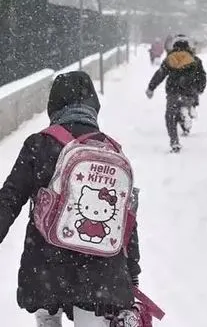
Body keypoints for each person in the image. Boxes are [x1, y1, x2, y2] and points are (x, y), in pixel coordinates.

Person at [0, 71, 141, 326]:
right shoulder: (110, 150)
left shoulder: (39, 144)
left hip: (46, 265)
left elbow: (9, 198)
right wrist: (133, 273)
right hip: (99, 272)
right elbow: (126, 219)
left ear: (54, 105)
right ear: (93, 106)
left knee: (47, 316)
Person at [146, 35, 207, 153]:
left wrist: (151, 88)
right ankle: (189, 112)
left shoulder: (170, 59)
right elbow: (202, 77)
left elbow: (160, 74)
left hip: (173, 92)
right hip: (189, 92)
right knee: (186, 105)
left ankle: (174, 142)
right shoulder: (195, 60)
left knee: (170, 117)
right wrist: (200, 89)